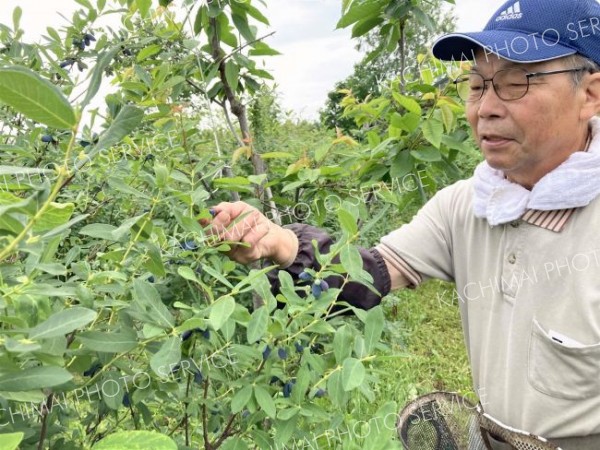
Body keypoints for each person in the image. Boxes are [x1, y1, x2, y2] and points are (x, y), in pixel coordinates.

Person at [204, 0, 600, 448]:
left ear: (589, 94)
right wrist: (282, 242)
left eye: (514, 84)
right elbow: (368, 276)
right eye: (476, 86)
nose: (484, 108)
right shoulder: (467, 205)